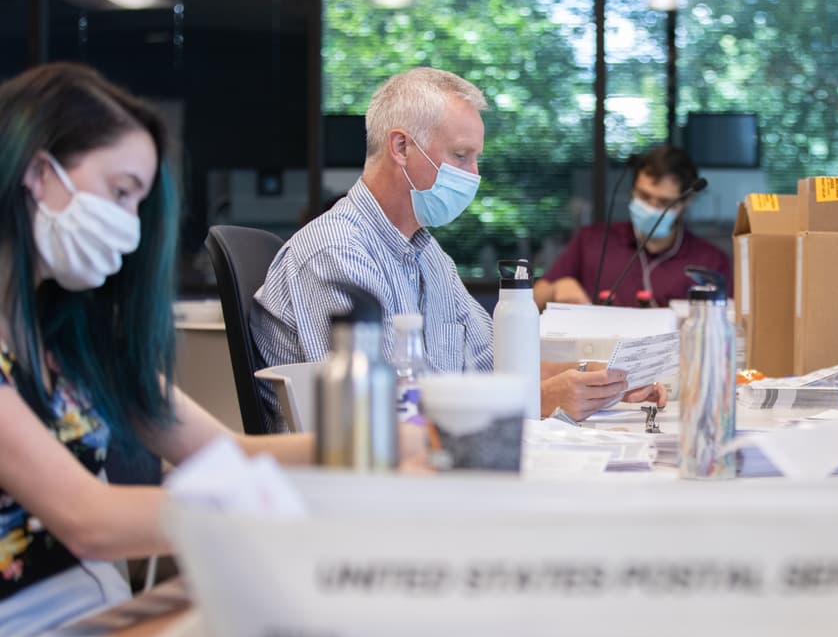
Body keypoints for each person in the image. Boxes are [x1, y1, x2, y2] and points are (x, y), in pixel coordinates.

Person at [0, 63, 362, 637]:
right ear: (40, 173)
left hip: (93, 619)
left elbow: (228, 453)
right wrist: (262, 508)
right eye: (120, 192)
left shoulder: (73, 343)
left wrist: (372, 449)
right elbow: (87, 518)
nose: (129, 227)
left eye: (137, 205)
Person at [252, 68, 664, 426]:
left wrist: (598, 378)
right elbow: (383, 414)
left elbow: (495, 364)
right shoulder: (336, 253)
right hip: (359, 479)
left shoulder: (427, 255)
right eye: (462, 155)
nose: (474, 175)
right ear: (401, 147)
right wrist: (538, 400)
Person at [534, 144, 732, 310]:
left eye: (664, 202)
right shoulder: (592, 240)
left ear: (686, 201)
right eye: (644, 196)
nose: (651, 208)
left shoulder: (710, 262)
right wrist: (554, 290)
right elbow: (533, 298)